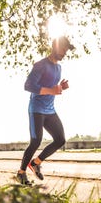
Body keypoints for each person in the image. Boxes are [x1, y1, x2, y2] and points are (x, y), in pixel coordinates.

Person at [16, 36, 74, 185]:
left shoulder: (58, 68)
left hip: (50, 110)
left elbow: (53, 89)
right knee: (36, 141)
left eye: (66, 51)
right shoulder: (40, 65)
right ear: (54, 46)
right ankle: (21, 173)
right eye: (63, 49)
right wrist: (51, 90)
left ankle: (35, 163)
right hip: (36, 109)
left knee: (60, 139)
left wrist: (61, 88)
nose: (64, 53)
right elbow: (28, 85)